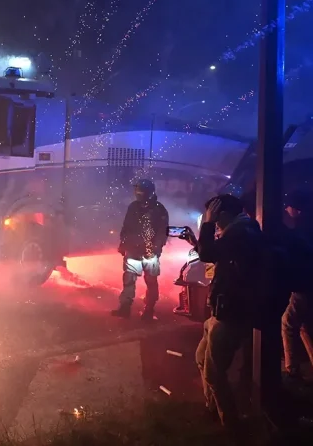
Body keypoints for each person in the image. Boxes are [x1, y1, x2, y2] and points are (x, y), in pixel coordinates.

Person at [183, 194, 263, 427]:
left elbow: (210, 255)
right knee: (202, 358)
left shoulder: (240, 232)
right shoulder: (242, 231)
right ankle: (213, 409)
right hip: (223, 308)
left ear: (224, 215)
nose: (214, 224)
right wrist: (196, 243)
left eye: (215, 218)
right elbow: (216, 253)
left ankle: (230, 423)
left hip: (231, 311)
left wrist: (206, 225)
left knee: (215, 373)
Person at [112, 179, 169, 320]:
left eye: (140, 191)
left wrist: (156, 247)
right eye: (137, 190)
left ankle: (149, 309)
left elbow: (163, 232)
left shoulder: (159, 209)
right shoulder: (133, 207)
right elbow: (126, 227)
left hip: (149, 252)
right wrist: (123, 244)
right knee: (129, 279)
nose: (138, 193)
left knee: (150, 281)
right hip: (133, 250)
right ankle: (125, 308)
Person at [281, 189, 313, 380]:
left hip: (304, 285)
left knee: (288, 324)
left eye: (289, 206)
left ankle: (292, 368)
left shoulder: (301, 229)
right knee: (305, 326)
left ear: (297, 209)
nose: (286, 209)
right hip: (308, 285)